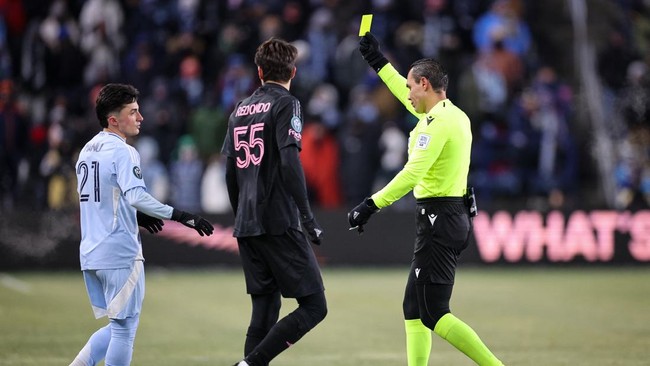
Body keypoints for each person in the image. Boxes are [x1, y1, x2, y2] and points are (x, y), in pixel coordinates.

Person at [348, 33, 505, 366]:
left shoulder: (433, 126)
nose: (406, 94)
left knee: (434, 314)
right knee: (413, 308)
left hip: (439, 219)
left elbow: (410, 175)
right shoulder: (453, 115)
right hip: (448, 216)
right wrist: (378, 61)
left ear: (423, 84)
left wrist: (370, 205)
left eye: (409, 87)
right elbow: (411, 105)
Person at [70, 83, 214, 366]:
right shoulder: (124, 152)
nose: (140, 117)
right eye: (133, 112)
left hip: (91, 251)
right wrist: (182, 216)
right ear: (114, 120)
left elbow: (103, 200)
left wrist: (134, 215)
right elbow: (137, 196)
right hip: (119, 251)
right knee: (124, 330)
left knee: (117, 326)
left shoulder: (87, 151)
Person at [222, 38, 327, 366]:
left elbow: (230, 172)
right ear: (293, 71)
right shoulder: (287, 104)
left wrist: (241, 213)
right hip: (278, 219)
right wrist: (307, 217)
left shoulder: (239, 109)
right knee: (314, 306)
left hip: (247, 222)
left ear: (259, 71)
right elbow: (289, 162)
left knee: (265, 307)